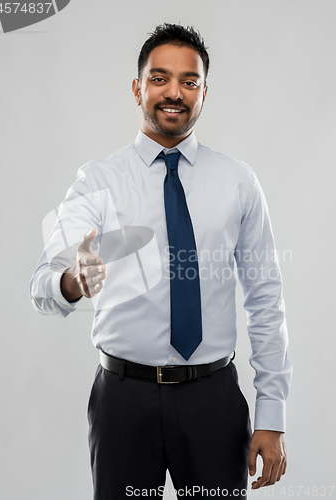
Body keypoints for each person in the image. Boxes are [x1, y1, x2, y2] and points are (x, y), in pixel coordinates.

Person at [30, 23, 292, 500]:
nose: (175, 92)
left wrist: (271, 415)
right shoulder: (98, 181)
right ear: (137, 88)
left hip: (213, 399)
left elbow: (265, 299)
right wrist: (73, 281)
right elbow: (41, 286)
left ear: (204, 92)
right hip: (123, 401)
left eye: (189, 81)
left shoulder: (238, 181)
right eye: (159, 78)